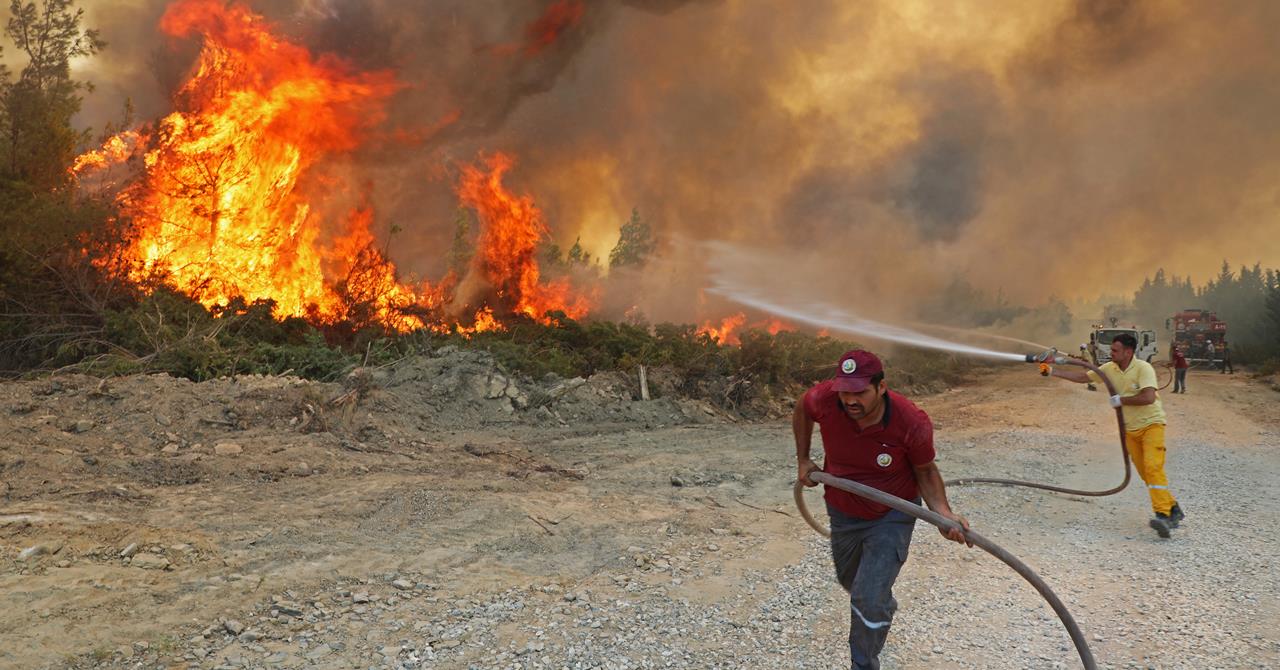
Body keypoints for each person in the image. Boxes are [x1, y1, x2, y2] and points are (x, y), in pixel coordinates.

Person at [794, 350, 971, 669]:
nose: (850, 400)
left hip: (891, 513)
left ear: (881, 387)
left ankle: (863, 662)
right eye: (844, 391)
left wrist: (943, 512)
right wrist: (803, 459)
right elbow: (803, 408)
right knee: (853, 584)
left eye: (859, 391)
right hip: (843, 509)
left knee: (866, 597)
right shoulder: (825, 400)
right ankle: (879, 603)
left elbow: (926, 471)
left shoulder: (910, 421)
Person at [1041, 333, 1185, 537]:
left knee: (1153, 468)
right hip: (1130, 429)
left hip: (1152, 425)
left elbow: (1148, 397)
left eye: (1115, 350)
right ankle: (1173, 508)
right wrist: (1053, 371)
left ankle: (1163, 516)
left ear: (1128, 352)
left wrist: (1121, 401)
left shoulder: (1143, 368)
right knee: (1147, 474)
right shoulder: (1110, 368)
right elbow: (1084, 377)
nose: (1111, 352)